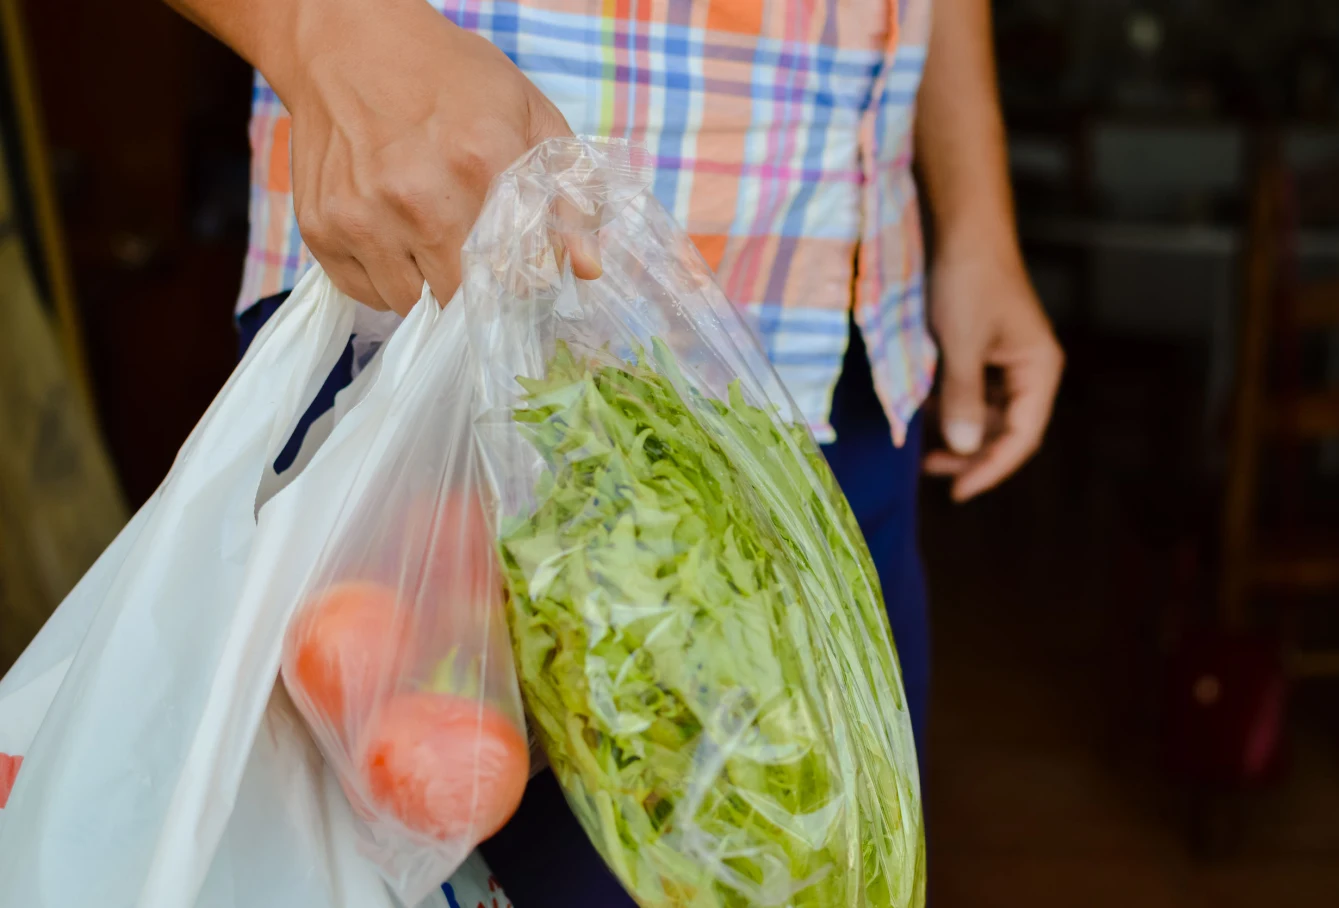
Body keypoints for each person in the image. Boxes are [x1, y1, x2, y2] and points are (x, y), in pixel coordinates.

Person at [165, 0, 1063, 902]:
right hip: (452, 325)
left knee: (830, 870)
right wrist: (317, 30)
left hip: (840, 342)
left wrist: (977, 220)